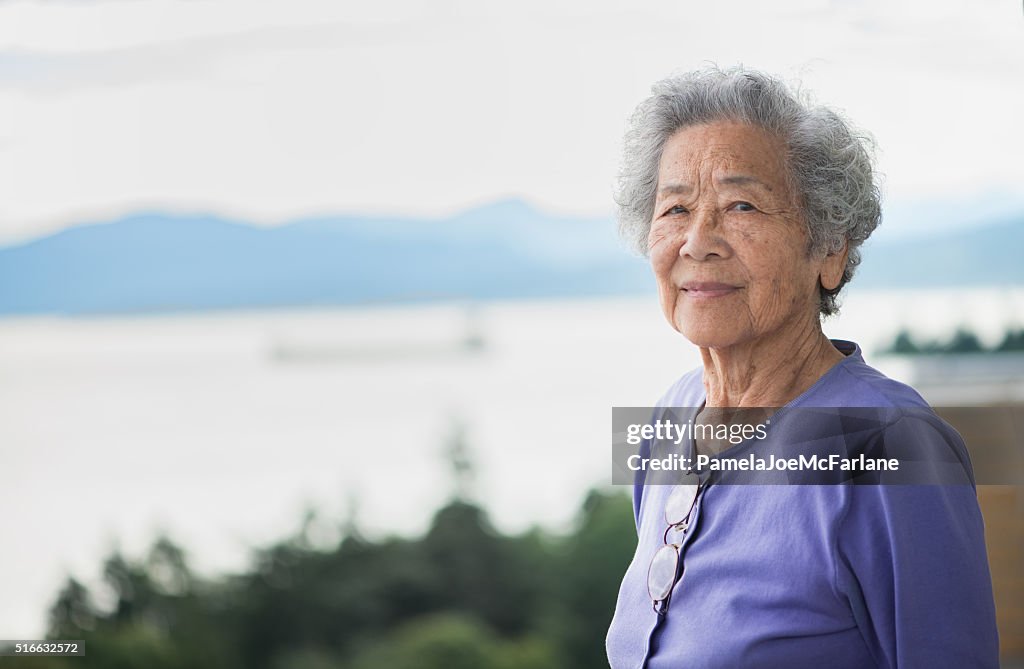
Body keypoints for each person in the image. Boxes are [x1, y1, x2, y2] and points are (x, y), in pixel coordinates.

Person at [605, 67, 999, 668]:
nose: (698, 240)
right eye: (675, 208)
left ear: (829, 249)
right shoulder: (671, 412)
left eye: (742, 204)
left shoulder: (890, 441)